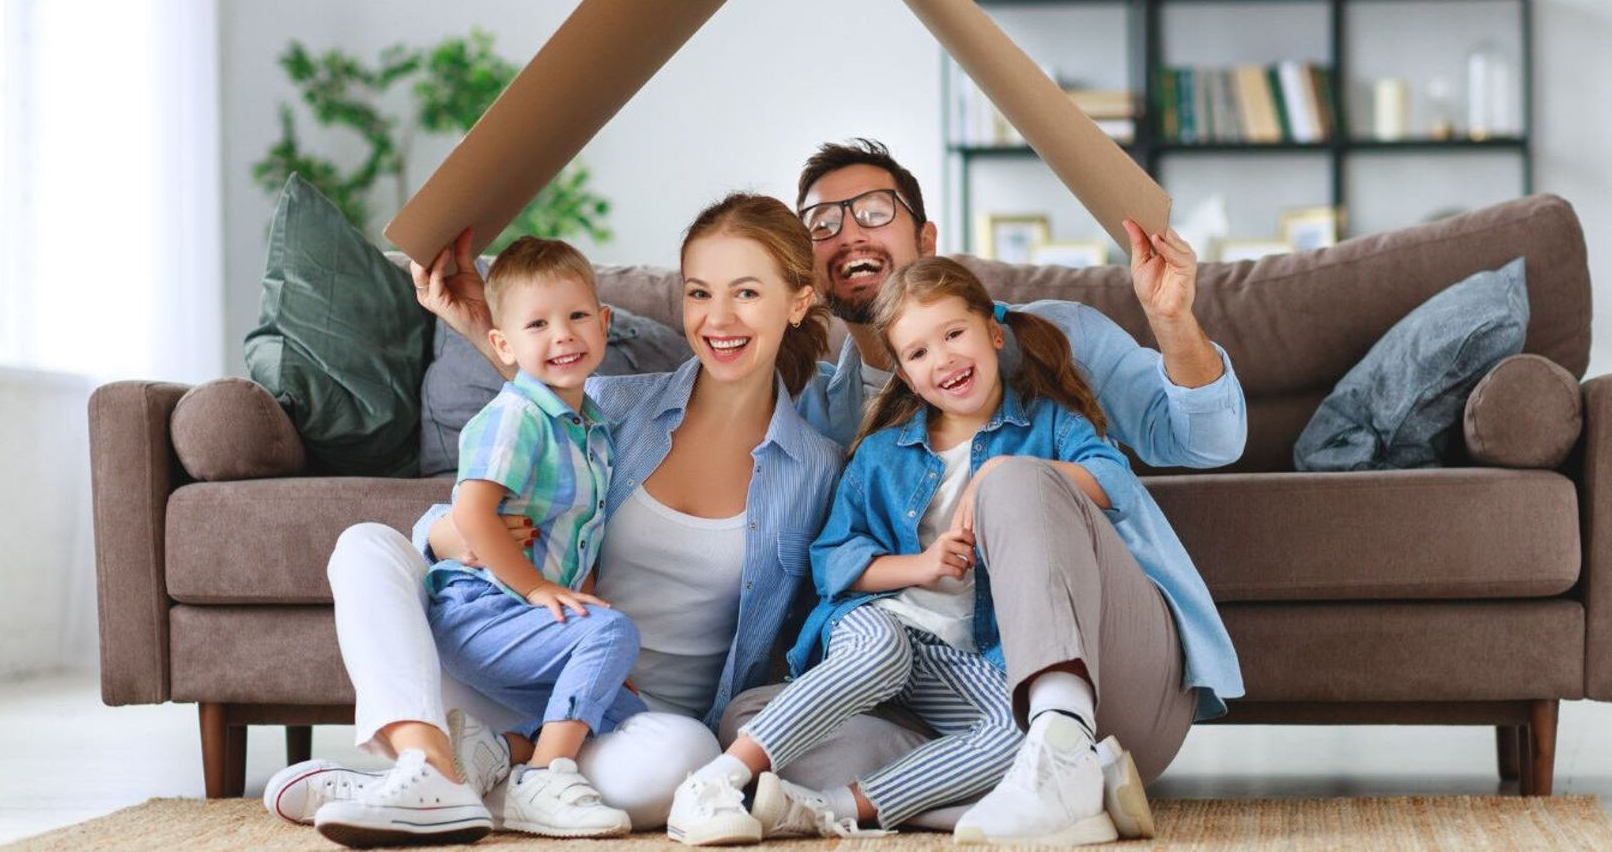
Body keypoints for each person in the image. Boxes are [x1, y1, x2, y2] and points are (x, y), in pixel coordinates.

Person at [717, 138, 1248, 845]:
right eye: (821, 224)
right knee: (754, 722)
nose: (847, 235)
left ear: (925, 236)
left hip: (1112, 676)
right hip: (950, 696)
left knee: (1016, 480)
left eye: (873, 211)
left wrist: (1174, 318)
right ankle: (1006, 790)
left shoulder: (1055, 346)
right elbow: (814, 563)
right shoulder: (818, 412)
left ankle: (1058, 744)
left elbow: (1209, 442)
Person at [269, 195, 843, 845]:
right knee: (367, 545)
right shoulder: (612, 407)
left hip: (629, 725)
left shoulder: (818, 469)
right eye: (699, 293)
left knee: (684, 761)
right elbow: (493, 485)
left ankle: (449, 777)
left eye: (745, 293)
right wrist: (446, 534)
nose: (718, 318)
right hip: (512, 666)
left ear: (798, 301)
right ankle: (430, 762)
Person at [666, 256, 1153, 845]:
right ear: (903, 374)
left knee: (1022, 731)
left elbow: (1116, 483)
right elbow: (833, 560)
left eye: (954, 334)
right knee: (854, 666)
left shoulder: (1048, 425)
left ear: (994, 335)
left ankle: (832, 808)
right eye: (918, 353)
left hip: (965, 658)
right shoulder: (883, 454)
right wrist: (920, 566)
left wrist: (1008, 469)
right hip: (882, 630)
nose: (942, 360)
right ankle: (717, 780)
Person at [388, 236, 635, 840]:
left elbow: (585, 542)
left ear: (603, 324)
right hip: (480, 610)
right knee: (615, 631)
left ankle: (497, 751)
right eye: (538, 323)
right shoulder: (517, 416)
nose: (563, 335)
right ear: (503, 343)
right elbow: (471, 513)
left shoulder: (596, 430)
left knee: (629, 711)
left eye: (577, 316)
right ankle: (546, 777)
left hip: (528, 620)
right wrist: (535, 588)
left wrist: (584, 622)